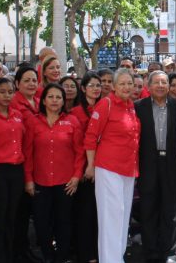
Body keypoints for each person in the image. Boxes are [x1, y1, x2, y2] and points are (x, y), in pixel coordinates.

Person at [136, 71, 176, 263]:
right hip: (147, 165)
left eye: (164, 82)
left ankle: (170, 252)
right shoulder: (138, 107)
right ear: (149, 86)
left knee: (172, 212)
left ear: (169, 86)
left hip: (173, 165)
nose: (160, 86)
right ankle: (151, 251)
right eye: (156, 82)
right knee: (148, 209)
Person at [84, 69, 141, 263]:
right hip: (109, 168)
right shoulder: (105, 104)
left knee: (123, 216)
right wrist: (90, 165)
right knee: (111, 217)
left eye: (129, 83)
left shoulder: (131, 106)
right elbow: (91, 137)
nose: (126, 87)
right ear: (114, 87)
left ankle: (118, 257)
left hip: (128, 168)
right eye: (122, 83)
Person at [24, 83, 84, 263]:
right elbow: (27, 153)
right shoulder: (33, 122)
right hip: (40, 181)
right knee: (42, 223)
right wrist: (28, 179)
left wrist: (76, 176)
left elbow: (80, 152)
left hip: (66, 183)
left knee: (64, 222)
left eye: (59, 97)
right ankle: (48, 256)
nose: (55, 100)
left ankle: (62, 257)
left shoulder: (72, 121)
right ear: (43, 100)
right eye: (51, 96)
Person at [0, 78, 25, 263]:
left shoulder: (17, 114)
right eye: (2, 91)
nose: (7, 95)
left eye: (10, 92)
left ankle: (9, 256)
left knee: (12, 216)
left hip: (16, 171)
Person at [72, 72, 102, 263]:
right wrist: (84, 167)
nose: (96, 89)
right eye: (91, 85)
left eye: (98, 85)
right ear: (83, 88)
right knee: (84, 213)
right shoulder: (75, 112)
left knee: (99, 214)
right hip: (84, 168)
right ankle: (85, 254)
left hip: (103, 166)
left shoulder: (104, 107)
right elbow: (77, 145)